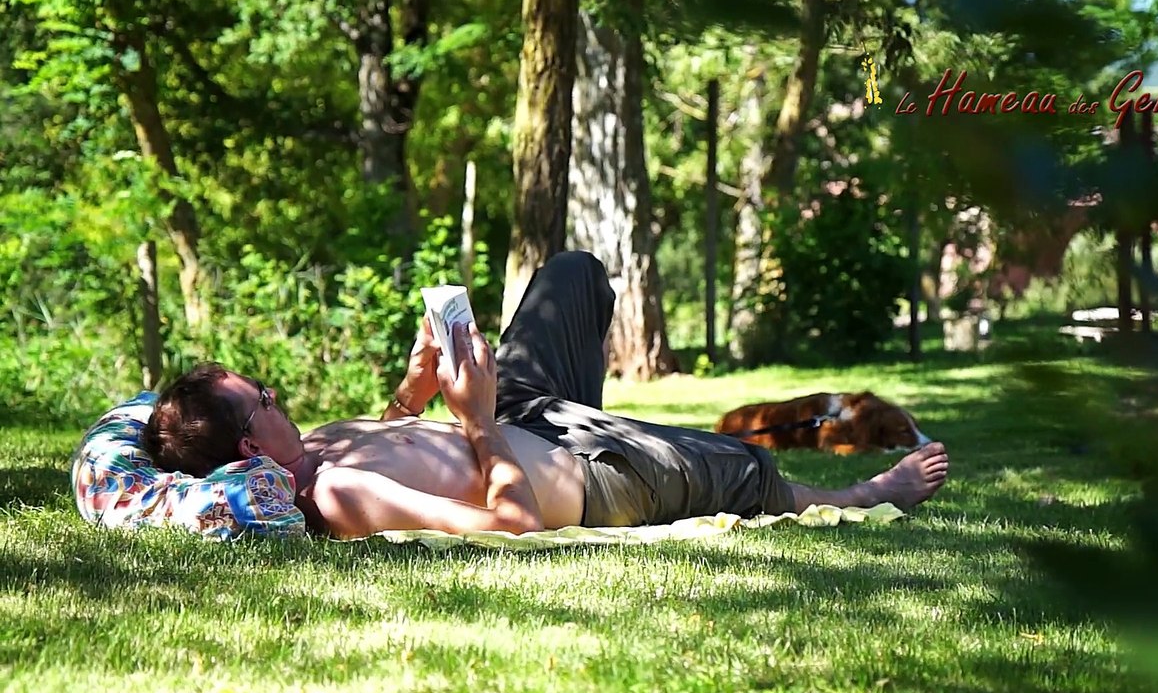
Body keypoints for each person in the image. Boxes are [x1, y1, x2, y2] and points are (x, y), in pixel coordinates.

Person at [143, 252, 949, 538]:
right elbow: (512, 525)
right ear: (251, 447)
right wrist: (478, 422)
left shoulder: (319, 446)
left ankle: (620, 401)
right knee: (739, 466)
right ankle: (862, 491)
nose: (281, 398)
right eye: (268, 399)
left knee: (571, 276)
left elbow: (401, 436)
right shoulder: (339, 491)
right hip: (579, 463)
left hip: (525, 410)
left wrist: (415, 387)